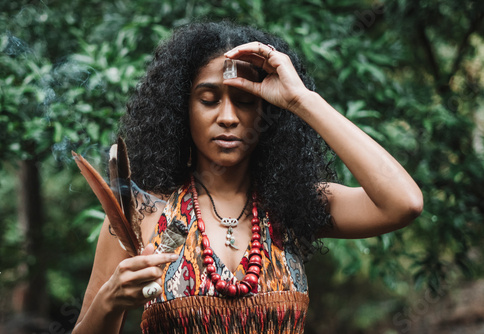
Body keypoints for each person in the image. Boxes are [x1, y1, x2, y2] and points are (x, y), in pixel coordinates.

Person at [72, 21, 423, 333]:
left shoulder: (295, 204)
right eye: (208, 100)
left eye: (244, 100)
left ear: (266, 110)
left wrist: (301, 100)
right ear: (182, 109)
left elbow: (403, 203)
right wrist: (110, 301)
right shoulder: (142, 213)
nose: (227, 116)